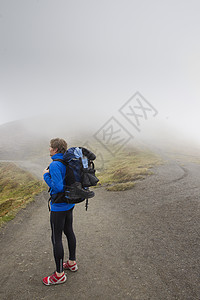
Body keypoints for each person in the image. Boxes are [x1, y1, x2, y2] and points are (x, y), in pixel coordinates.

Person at [42, 138, 78, 286]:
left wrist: (45, 175)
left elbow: (57, 188)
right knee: (69, 231)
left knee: (56, 238)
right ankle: (72, 262)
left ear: (55, 149)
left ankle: (59, 275)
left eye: (50, 147)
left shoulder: (55, 164)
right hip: (69, 204)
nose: (49, 149)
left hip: (59, 206)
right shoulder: (67, 161)